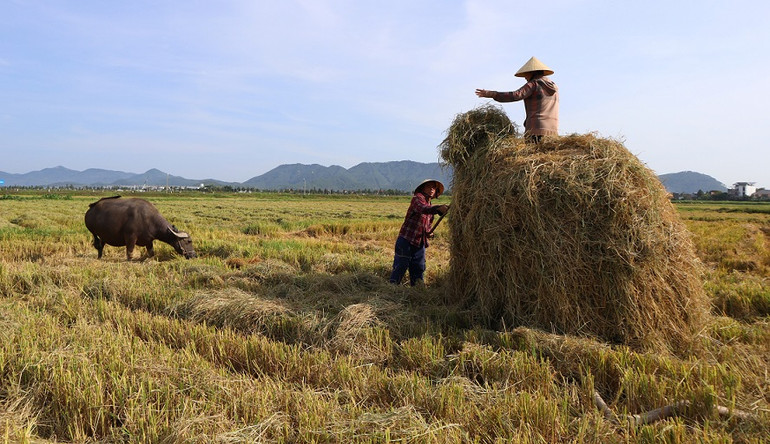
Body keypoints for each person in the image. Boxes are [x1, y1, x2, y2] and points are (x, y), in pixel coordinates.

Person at [475, 56, 559, 143]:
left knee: (532, 154)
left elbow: (516, 95)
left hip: (536, 128)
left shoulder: (534, 83)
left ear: (532, 73)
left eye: (526, 74)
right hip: (552, 130)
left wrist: (492, 94)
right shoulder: (554, 87)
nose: (525, 78)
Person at [389, 179, 449, 286]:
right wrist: (438, 209)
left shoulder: (430, 206)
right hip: (406, 240)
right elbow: (423, 208)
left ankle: (417, 290)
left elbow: (427, 226)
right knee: (401, 266)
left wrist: (429, 233)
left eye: (434, 188)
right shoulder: (417, 198)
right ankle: (392, 289)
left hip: (419, 243)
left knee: (419, 268)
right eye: (429, 186)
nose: (432, 189)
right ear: (423, 188)